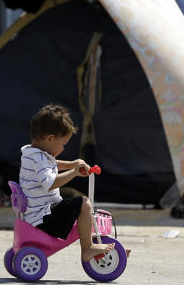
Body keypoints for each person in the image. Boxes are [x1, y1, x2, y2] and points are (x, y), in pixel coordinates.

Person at [19, 103, 125, 262]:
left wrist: (71, 164)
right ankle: (88, 248)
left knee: (75, 206)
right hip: (44, 219)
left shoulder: (31, 153)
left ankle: (99, 245)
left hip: (36, 215)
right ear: (50, 138)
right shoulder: (39, 158)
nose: (63, 148)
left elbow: (51, 164)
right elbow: (50, 183)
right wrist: (74, 172)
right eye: (63, 144)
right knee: (83, 203)